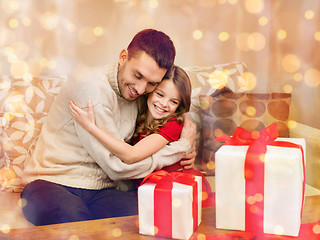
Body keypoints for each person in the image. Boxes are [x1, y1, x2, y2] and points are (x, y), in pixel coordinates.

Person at [21, 29, 197, 226]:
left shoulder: (140, 95)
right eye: (137, 75)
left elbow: (173, 111)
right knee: (73, 222)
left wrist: (186, 147)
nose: (140, 89)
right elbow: (118, 167)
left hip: (102, 190)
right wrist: (181, 148)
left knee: (155, 215)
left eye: (151, 84)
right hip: (51, 183)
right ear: (123, 57)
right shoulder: (89, 87)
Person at [68, 65, 191, 166]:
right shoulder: (138, 113)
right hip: (145, 187)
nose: (164, 104)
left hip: (170, 187)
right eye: (160, 94)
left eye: (174, 101)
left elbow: (131, 155)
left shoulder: (173, 124)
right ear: (149, 91)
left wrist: (90, 127)